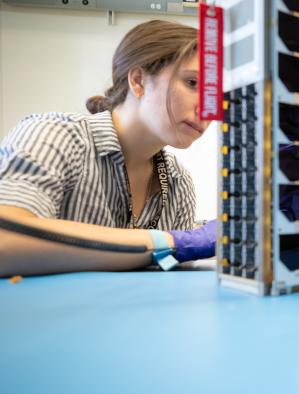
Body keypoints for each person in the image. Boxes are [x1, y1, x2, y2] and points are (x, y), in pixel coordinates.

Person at [0, 20, 217, 276]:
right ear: (138, 81)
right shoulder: (55, 136)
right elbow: (5, 240)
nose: (207, 110)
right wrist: (168, 242)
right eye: (193, 83)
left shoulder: (178, 183)